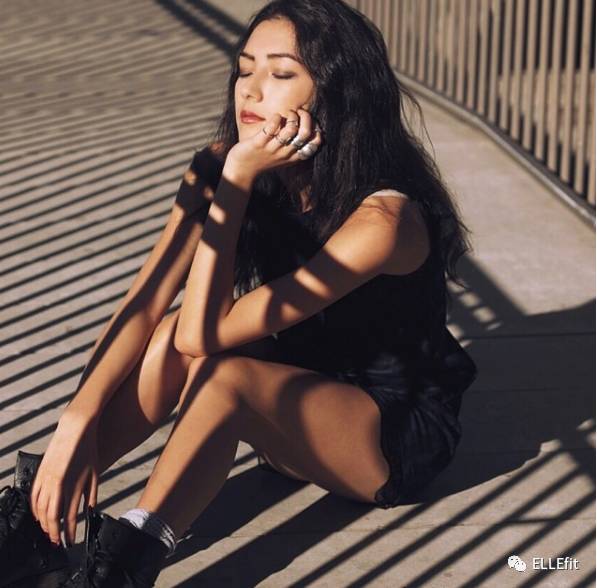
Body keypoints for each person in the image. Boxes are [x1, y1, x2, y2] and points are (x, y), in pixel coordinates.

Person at [0, 0, 478, 586]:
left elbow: (205, 335)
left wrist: (237, 181)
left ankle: (125, 564)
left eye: (281, 74)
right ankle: (38, 523)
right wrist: (74, 423)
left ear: (336, 94)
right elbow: (146, 302)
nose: (250, 90)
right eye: (244, 69)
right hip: (287, 396)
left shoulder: (383, 221)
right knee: (170, 332)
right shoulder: (220, 165)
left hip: (383, 434)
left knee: (221, 375)